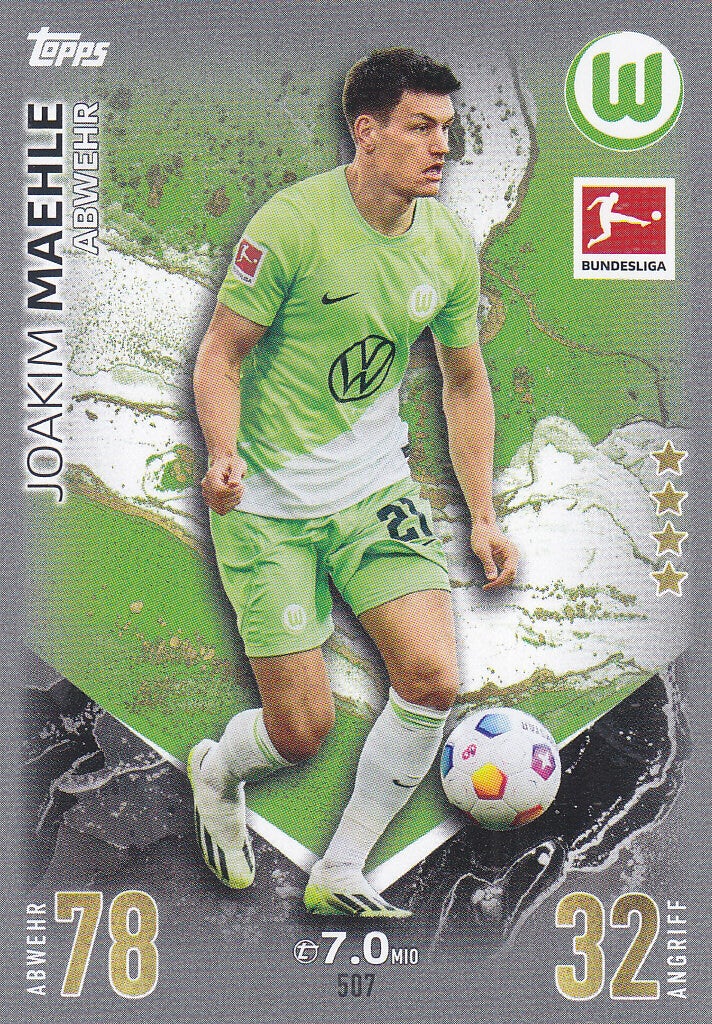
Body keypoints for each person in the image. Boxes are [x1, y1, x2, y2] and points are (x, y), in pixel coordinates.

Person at [189, 48, 518, 917]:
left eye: (447, 129)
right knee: (302, 732)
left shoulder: (446, 244)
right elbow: (221, 356)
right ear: (366, 133)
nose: (441, 146)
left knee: (432, 677)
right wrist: (222, 454)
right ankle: (218, 771)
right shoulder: (291, 225)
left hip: (373, 492)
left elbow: (464, 381)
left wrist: (483, 515)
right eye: (420, 127)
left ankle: (340, 869)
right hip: (266, 506)